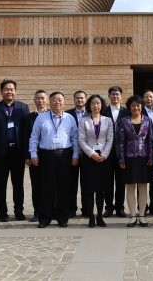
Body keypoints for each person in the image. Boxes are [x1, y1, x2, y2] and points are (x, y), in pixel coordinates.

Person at [29, 92, 79, 228]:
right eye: (54, 100)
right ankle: (45, 217)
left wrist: (75, 155)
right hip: (46, 156)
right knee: (46, 187)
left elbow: (75, 138)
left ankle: (62, 217)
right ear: (49, 102)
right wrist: (33, 154)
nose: (57, 102)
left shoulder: (70, 118)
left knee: (64, 187)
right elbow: (34, 137)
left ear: (64, 102)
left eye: (60, 100)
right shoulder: (41, 118)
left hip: (65, 155)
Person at [0, 79, 29, 222]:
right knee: (0, 183)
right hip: (0, 152)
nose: (9, 91)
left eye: (11, 89)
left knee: (18, 183)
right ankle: (2, 212)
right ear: (1, 91)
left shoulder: (23, 108)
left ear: (15, 91)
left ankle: (19, 210)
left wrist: (27, 152)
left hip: (17, 152)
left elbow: (26, 132)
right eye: (6, 89)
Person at [118, 95, 153, 227]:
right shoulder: (124, 121)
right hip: (129, 158)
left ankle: (142, 215)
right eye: (133, 105)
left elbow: (150, 141)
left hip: (144, 158)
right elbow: (121, 142)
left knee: (143, 187)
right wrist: (121, 158)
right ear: (129, 107)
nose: (136, 107)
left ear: (142, 106)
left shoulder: (148, 121)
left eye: (138, 105)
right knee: (131, 187)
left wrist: (151, 157)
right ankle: (133, 215)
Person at [79, 94, 114, 227]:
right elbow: (81, 140)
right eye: (93, 103)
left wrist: (104, 155)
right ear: (89, 105)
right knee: (89, 189)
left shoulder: (108, 120)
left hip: (104, 159)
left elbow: (110, 139)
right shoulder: (83, 120)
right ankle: (91, 217)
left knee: (101, 189)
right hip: (89, 159)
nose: (95, 106)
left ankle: (100, 216)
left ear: (102, 105)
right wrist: (92, 154)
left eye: (98, 103)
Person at [21, 90, 49, 222]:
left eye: (43, 98)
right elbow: (24, 137)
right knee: (36, 185)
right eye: (38, 98)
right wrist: (27, 156)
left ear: (47, 100)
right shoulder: (28, 118)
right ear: (34, 100)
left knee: (50, 184)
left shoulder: (52, 115)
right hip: (34, 156)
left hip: (50, 155)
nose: (40, 100)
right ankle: (37, 212)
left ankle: (50, 211)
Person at [102, 86, 128, 218]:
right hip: (107, 151)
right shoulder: (103, 111)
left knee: (121, 181)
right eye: (112, 94)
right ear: (109, 96)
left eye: (117, 94)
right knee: (107, 181)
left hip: (122, 152)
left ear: (121, 96)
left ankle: (120, 207)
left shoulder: (127, 112)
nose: (115, 97)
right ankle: (108, 207)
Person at [66, 90, 88, 218]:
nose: (80, 100)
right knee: (71, 183)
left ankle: (86, 208)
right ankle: (71, 208)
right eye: (77, 98)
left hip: (87, 154)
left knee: (86, 183)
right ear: (74, 99)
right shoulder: (67, 114)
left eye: (82, 98)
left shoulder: (91, 114)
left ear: (86, 99)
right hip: (71, 154)